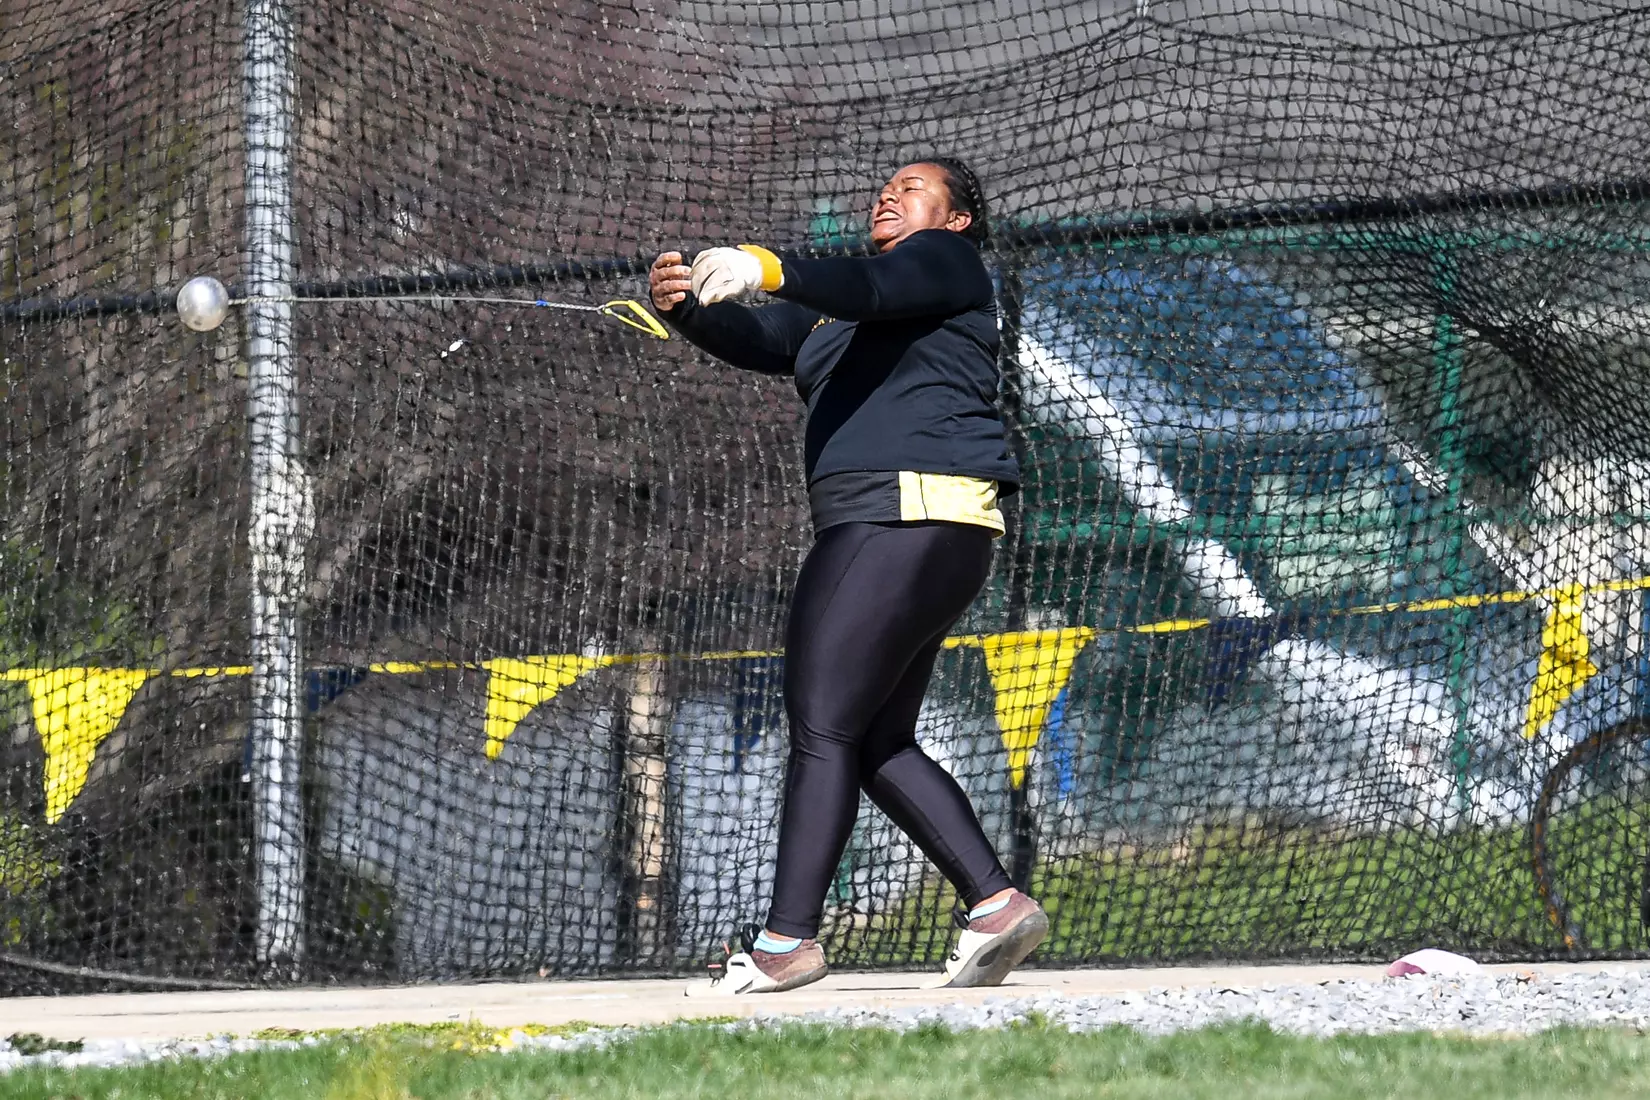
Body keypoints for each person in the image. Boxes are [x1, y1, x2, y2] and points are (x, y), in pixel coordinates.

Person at [651, 157, 1047, 995]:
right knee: (873, 739)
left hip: (899, 516)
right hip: (930, 528)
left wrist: (766, 264)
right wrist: (687, 309)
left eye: (913, 187)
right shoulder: (843, 313)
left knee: (823, 727)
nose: (889, 194)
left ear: (957, 218)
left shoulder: (945, 263)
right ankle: (996, 904)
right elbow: (766, 339)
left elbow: (870, 289)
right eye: (886, 187)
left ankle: (785, 942)